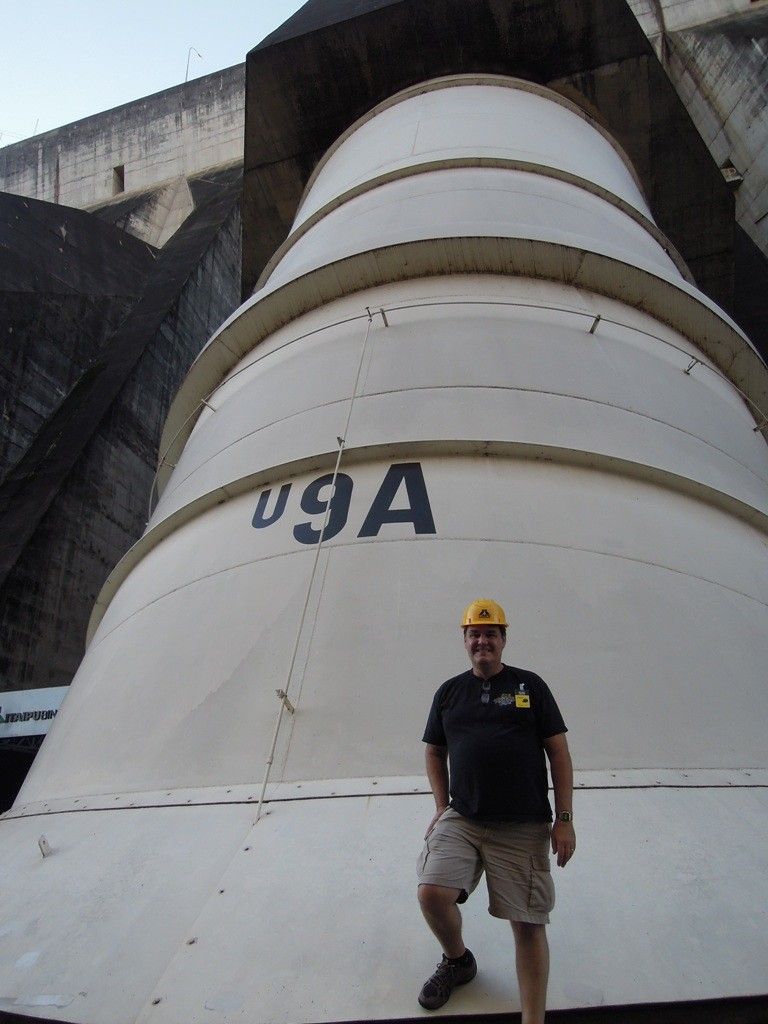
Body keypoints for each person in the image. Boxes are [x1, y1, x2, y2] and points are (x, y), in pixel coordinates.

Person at [416, 598, 575, 1024]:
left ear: (503, 639)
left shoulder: (530, 686)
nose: (482, 641)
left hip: (522, 825)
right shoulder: (449, 693)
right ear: (465, 641)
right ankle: (458, 961)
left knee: (527, 924)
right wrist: (440, 804)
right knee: (431, 893)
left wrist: (564, 820)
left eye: (490, 634)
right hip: (464, 818)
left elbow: (558, 752)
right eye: (475, 634)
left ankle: (533, 1019)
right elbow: (434, 750)